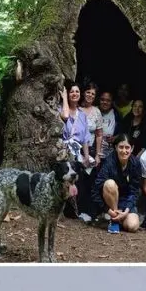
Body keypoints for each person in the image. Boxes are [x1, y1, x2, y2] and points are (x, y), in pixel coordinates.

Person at [59, 81, 96, 221]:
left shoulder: (82, 115)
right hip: (64, 152)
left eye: (77, 92)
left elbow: (86, 138)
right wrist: (63, 99)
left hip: (78, 153)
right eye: (72, 92)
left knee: (82, 181)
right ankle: (66, 211)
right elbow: (66, 116)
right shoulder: (60, 110)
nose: (75, 94)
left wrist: (86, 156)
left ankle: (80, 211)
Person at [92, 134, 144, 232]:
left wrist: (127, 210)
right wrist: (108, 209)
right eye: (121, 147)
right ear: (116, 147)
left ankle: (119, 218)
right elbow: (95, 190)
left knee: (132, 226)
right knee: (110, 184)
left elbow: (135, 191)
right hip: (110, 200)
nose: (124, 151)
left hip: (126, 201)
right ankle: (114, 219)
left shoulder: (135, 163)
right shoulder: (108, 162)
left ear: (132, 149)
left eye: (127, 147)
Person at [81, 81, 105, 163]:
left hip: (91, 149)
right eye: (88, 92)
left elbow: (99, 135)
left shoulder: (96, 112)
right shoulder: (77, 109)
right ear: (84, 93)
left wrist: (98, 155)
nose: (90, 95)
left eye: (93, 94)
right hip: (76, 148)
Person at [97, 90, 119, 161]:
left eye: (108, 100)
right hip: (92, 152)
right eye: (102, 100)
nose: (105, 102)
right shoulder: (93, 111)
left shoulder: (116, 115)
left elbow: (122, 132)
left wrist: (116, 137)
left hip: (109, 154)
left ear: (112, 102)